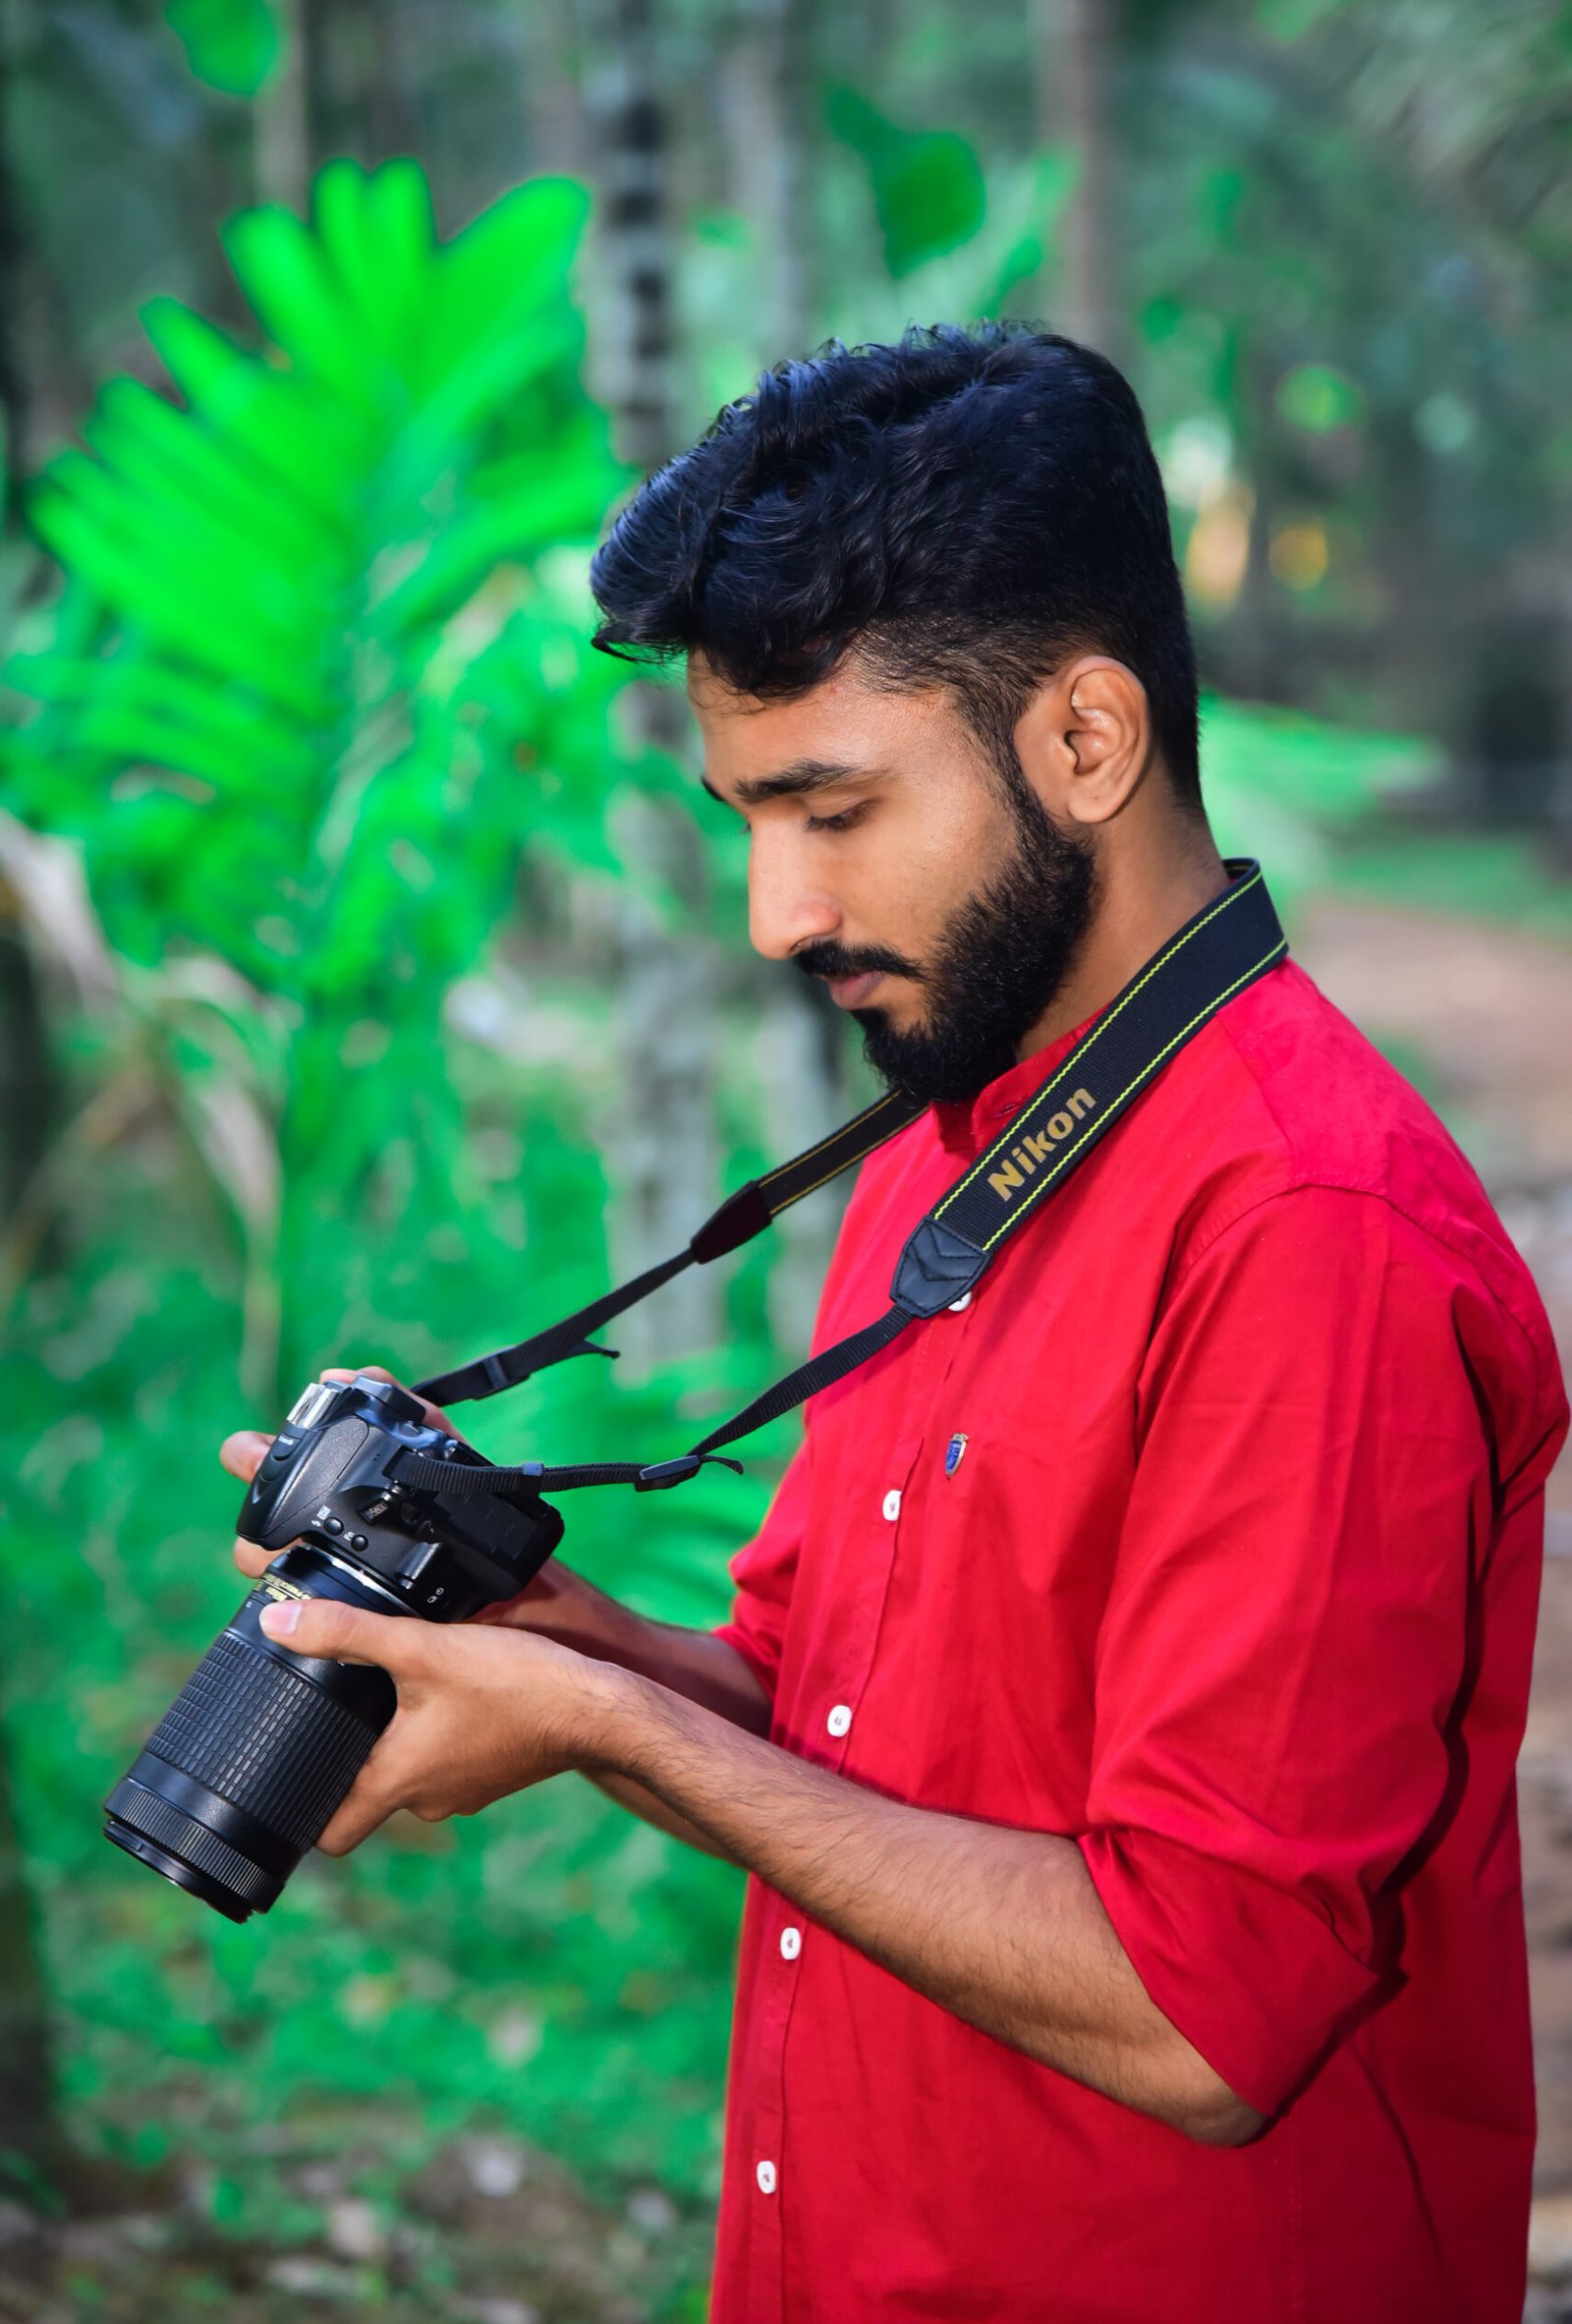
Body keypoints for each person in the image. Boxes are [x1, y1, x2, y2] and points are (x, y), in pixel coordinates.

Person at [221, 325, 1567, 2323]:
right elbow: (823, 1713)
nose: (777, 911)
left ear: (1084, 738)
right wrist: (543, 1637)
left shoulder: (1308, 1232)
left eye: (833, 808)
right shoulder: (953, 1134)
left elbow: (1202, 2013)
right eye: (746, 819)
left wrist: (605, 1725)